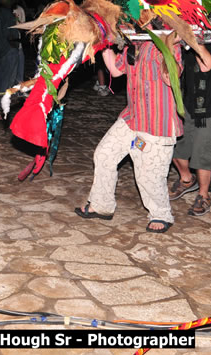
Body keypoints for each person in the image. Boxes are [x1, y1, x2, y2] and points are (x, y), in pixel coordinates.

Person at [75, 36, 183, 233]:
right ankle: (101, 205)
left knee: (148, 175)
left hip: (157, 122)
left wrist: (166, 44)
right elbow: (116, 71)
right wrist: (102, 41)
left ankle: (160, 214)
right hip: (132, 117)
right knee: (104, 154)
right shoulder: (134, 44)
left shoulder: (168, 43)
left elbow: (170, 78)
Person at [167, 43, 211, 216]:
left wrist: (192, 39)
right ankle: (187, 179)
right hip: (188, 106)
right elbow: (172, 76)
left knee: (204, 154)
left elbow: (206, 65)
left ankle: (203, 195)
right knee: (176, 149)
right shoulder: (184, 46)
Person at [0, 0, 24, 103]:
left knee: (1, 77)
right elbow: (9, 34)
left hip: (2, 49)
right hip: (9, 50)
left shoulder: (1, 12)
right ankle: (2, 103)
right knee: (7, 79)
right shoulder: (7, 14)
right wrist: (17, 42)